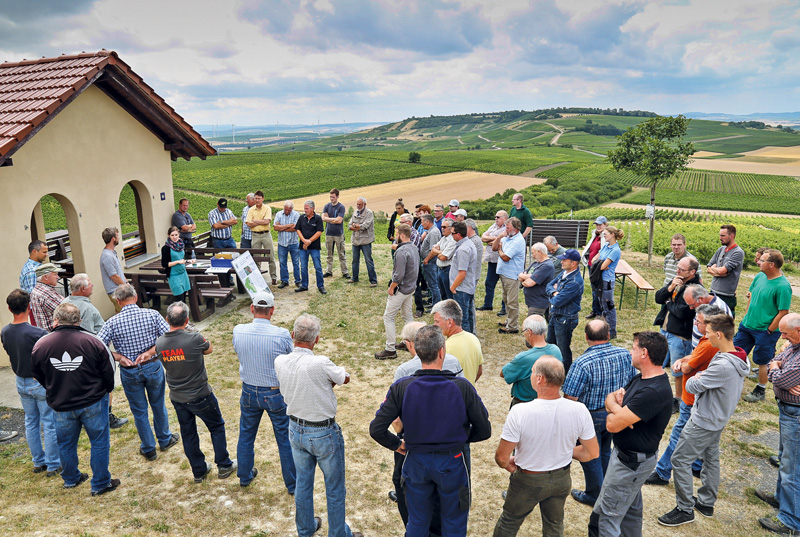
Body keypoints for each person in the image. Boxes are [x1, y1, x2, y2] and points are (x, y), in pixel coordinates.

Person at [369, 325, 492, 537]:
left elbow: (377, 428)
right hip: (452, 461)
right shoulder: (462, 387)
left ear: (415, 350)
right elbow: (484, 430)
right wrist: (461, 438)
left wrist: (397, 444)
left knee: (417, 521)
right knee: (453, 521)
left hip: (415, 460)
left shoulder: (402, 386)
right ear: (442, 351)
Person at [657, 314, 748, 527]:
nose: (704, 337)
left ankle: (684, 508)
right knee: (711, 459)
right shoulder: (738, 356)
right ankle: (706, 502)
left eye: (707, 334)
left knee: (679, 460)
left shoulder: (723, 365)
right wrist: (701, 377)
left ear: (718, 334)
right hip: (718, 418)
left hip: (704, 420)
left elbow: (691, 386)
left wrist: (697, 378)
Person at [275, 314, 362, 537]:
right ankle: (338, 534)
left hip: (295, 428)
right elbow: (346, 378)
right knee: (334, 487)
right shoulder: (321, 363)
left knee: (303, 483)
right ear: (317, 340)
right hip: (323, 431)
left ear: (293, 335)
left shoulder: (279, 361)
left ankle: (305, 529)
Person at [494, 356, 599, 537]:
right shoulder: (580, 410)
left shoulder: (520, 412)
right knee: (554, 526)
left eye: (533, 372)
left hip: (528, 480)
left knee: (509, 522)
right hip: (561, 478)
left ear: (540, 378)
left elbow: (502, 457)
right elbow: (592, 452)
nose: (531, 375)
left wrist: (508, 465)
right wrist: (563, 450)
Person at [588, 331, 673, 537]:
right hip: (629, 460)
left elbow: (611, 426)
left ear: (644, 353)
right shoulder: (641, 378)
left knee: (605, 518)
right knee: (630, 513)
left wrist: (616, 413)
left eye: (633, 348)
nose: (630, 352)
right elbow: (610, 398)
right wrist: (619, 410)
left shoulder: (652, 391)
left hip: (630, 464)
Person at [31, 303, 119, 495]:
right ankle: (101, 483)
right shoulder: (93, 341)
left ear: (55, 320)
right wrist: (106, 390)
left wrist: (53, 389)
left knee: (66, 443)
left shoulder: (41, 345)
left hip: (62, 404)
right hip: (93, 401)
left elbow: (37, 374)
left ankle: (70, 479)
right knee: (99, 441)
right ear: (79, 321)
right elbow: (109, 371)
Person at [388, 321, 464, 533]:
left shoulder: (404, 370)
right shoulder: (454, 363)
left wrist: (399, 438)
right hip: (450, 442)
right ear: (440, 348)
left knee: (406, 486)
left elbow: (393, 416)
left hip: (414, 443)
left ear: (411, 344)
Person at [156, 302, 236, 483]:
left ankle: (198, 471)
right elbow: (209, 348)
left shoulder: (159, 342)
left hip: (178, 397)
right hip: (201, 395)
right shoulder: (194, 338)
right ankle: (224, 465)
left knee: (188, 433)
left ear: (167, 319)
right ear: (187, 320)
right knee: (216, 427)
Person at [645, 304, 725, 487]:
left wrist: (683, 363)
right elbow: (691, 358)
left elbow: (688, 366)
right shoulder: (709, 340)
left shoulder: (708, 345)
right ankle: (696, 464)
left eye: (699, 321)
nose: (695, 323)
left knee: (678, 436)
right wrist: (683, 360)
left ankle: (662, 472)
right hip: (700, 400)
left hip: (691, 399)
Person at [98, 284, 179, 461]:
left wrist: (118, 356)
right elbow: (169, 338)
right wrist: (150, 352)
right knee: (158, 404)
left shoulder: (111, 322)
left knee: (139, 410)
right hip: (152, 365)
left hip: (129, 371)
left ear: (118, 302)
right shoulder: (152, 314)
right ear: (135, 297)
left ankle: (149, 448)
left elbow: (96, 347)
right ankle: (165, 439)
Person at [563, 319, 636, 507]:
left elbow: (570, 398)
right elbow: (633, 380)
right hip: (616, 413)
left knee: (590, 456)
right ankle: (604, 488)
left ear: (586, 337)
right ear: (608, 335)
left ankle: (595, 495)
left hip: (590, 416)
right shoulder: (624, 354)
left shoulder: (581, 364)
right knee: (604, 450)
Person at [232, 291, 296, 489]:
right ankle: (292, 484)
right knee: (284, 439)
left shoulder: (239, 330)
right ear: (272, 311)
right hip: (275, 392)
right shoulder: (281, 334)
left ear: (252, 309)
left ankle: (244, 475)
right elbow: (290, 359)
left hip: (249, 390)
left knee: (246, 435)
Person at [2, 289, 59, 475]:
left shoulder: (5, 331)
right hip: (39, 381)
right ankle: (52, 464)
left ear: (9, 308)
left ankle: (38, 462)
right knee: (49, 422)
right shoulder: (38, 333)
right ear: (30, 307)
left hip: (21, 381)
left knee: (31, 422)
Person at [63, 275, 129, 430]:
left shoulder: (65, 303)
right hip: (90, 354)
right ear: (83, 289)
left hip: (72, 355)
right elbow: (85, 334)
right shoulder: (85, 308)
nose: (93, 284)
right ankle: (107, 416)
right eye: (90, 283)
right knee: (106, 385)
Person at [755, 313, 800, 536]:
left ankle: (791, 520)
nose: (782, 337)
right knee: (785, 458)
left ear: (799, 330)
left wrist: (776, 370)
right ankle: (782, 499)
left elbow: (781, 378)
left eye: (786, 333)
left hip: (796, 416)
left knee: (793, 467)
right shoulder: (794, 346)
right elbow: (777, 359)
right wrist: (777, 364)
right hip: (788, 412)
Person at [737, 249, 793, 403]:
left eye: (762, 260)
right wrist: (747, 315)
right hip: (747, 325)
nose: (758, 262)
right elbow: (752, 294)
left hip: (765, 331)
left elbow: (783, 312)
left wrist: (769, 330)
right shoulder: (760, 276)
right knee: (735, 353)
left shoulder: (783, 286)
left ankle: (760, 390)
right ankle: (730, 382)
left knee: (763, 360)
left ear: (772, 264)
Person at [654, 256, 702, 411]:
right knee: (658, 362)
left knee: (678, 369)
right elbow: (658, 298)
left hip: (680, 336)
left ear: (692, 272)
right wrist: (669, 289)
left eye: (681, 269)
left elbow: (682, 312)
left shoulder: (695, 289)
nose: (677, 271)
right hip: (665, 330)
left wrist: (669, 303)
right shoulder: (677, 280)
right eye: (677, 268)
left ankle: (679, 399)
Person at [376, 224, 419, 360]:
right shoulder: (414, 248)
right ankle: (409, 342)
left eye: (396, 234)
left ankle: (390, 349)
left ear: (401, 235)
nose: (395, 237)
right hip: (410, 287)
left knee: (388, 317)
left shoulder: (401, 251)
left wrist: (392, 287)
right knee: (408, 316)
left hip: (401, 289)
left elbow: (398, 275)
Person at [501, 315, 562, 406]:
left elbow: (503, 373)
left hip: (524, 403)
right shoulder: (556, 350)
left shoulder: (524, 358)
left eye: (524, 331)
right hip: (549, 402)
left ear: (529, 332)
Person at [545, 249, 584, 372]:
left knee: (563, 350)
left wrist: (554, 294)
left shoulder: (574, 282)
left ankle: (565, 377)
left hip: (565, 320)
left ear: (573, 263)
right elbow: (548, 286)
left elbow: (557, 301)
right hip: (556, 316)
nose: (561, 262)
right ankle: (551, 371)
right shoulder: (564, 273)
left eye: (564, 260)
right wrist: (555, 292)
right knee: (550, 345)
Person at [432, 299, 483, 385]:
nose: (434, 325)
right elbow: (479, 371)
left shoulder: (445, 348)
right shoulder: (473, 339)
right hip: (469, 394)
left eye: (437, 321)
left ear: (449, 322)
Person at [495, 217, 526, 335]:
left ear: (516, 229)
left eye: (508, 228)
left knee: (512, 302)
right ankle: (509, 320)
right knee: (506, 299)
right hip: (504, 273)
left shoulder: (518, 241)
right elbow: (498, 249)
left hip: (512, 275)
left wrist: (500, 249)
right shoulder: (509, 237)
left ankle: (513, 326)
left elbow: (505, 257)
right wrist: (499, 243)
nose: (505, 230)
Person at [591, 226, 623, 339]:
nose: (604, 236)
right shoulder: (606, 246)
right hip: (601, 280)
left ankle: (612, 331)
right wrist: (600, 264)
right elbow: (594, 260)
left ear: (612, 234)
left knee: (609, 306)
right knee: (602, 305)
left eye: (606, 234)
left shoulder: (615, 250)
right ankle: (605, 329)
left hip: (607, 281)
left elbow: (601, 266)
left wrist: (600, 264)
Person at [706, 224, 744, 315]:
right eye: (720, 235)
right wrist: (716, 271)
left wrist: (715, 269)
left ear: (732, 236)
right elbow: (708, 268)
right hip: (713, 291)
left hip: (726, 296)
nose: (720, 238)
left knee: (724, 322)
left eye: (723, 235)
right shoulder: (721, 249)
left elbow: (722, 271)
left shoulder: (738, 252)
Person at [449, 221, 479, 334]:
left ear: (458, 234)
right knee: (469, 315)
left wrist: (453, 287)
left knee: (462, 318)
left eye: (452, 233)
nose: (451, 235)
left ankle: (466, 341)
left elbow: (462, 273)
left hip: (461, 288)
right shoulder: (469, 244)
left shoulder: (463, 249)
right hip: (467, 286)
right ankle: (472, 337)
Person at [478, 210, 508, 312]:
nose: (496, 219)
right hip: (492, 260)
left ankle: (504, 308)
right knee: (489, 283)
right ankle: (488, 305)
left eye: (498, 217)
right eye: (495, 217)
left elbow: (503, 241)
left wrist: (492, 241)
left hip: (502, 260)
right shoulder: (493, 226)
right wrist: (496, 239)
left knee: (505, 285)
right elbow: (483, 237)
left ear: (505, 218)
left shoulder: (507, 228)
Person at [246, 190, 278, 285]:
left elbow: (267, 221)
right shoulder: (251, 209)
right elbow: (248, 223)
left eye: (259, 198)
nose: (257, 200)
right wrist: (260, 221)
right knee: (256, 257)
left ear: (263, 199)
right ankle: (257, 277)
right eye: (255, 198)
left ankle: (273, 277)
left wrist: (255, 221)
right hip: (255, 235)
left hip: (266, 234)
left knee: (271, 256)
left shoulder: (267, 208)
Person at [295, 200, 326, 294]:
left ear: (312, 209)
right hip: (303, 247)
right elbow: (298, 229)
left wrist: (309, 241)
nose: (305, 210)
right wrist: (304, 241)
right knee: (303, 267)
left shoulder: (318, 218)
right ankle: (304, 285)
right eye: (304, 208)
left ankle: (320, 286)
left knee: (318, 267)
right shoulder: (301, 218)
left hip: (314, 248)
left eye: (307, 208)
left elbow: (319, 232)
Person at [347, 196, 378, 287]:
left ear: (365, 204)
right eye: (357, 204)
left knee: (368, 260)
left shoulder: (369, 213)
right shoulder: (355, 212)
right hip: (356, 240)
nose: (358, 206)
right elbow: (349, 225)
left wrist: (355, 226)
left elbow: (365, 226)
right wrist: (355, 226)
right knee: (354, 260)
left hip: (366, 241)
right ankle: (354, 278)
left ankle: (373, 280)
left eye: (360, 204)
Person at [519, 242, 555, 318]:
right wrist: (528, 276)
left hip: (538, 303)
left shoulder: (547, 266)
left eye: (533, 253)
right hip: (532, 301)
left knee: (533, 326)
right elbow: (520, 276)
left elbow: (529, 283)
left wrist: (525, 277)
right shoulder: (535, 263)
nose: (532, 255)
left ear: (539, 252)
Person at [425, 218, 457, 300]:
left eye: (444, 227)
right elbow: (433, 249)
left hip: (447, 270)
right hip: (440, 269)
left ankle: (451, 312)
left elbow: (443, 257)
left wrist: (438, 252)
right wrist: (441, 252)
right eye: (442, 227)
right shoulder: (443, 238)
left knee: (449, 296)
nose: (442, 229)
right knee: (443, 295)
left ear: (451, 228)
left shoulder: (452, 240)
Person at [582, 216, 608, 319]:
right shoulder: (595, 235)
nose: (598, 226)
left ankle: (599, 312)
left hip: (598, 266)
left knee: (598, 289)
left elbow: (605, 251)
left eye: (600, 224)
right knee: (594, 289)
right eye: (597, 224)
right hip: (591, 265)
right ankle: (595, 310)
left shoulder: (605, 237)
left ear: (605, 225)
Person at [273, 200, 301, 289]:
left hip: (293, 242)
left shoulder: (296, 214)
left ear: (292, 209)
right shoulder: (278, 214)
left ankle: (298, 280)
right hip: (282, 243)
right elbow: (275, 227)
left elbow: (296, 228)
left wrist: (282, 227)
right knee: (282, 263)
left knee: (296, 262)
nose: (287, 211)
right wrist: (289, 225)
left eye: (289, 210)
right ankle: (285, 280)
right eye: (286, 210)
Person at [322, 188, 349, 280]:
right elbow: (323, 218)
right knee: (329, 254)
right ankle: (329, 271)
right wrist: (334, 219)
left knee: (341, 254)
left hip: (338, 234)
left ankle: (345, 272)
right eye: (330, 197)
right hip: (329, 234)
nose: (331, 199)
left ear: (337, 196)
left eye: (333, 197)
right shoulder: (326, 206)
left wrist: (329, 219)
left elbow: (339, 220)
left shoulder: (341, 207)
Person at [30, 263, 63, 332]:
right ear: (45, 277)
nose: (58, 277)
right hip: (54, 335)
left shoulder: (37, 289)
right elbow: (69, 311)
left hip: (45, 334)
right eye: (55, 274)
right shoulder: (47, 293)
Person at [161, 226, 191, 303]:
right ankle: (179, 314)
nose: (174, 237)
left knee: (184, 299)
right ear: (168, 236)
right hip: (174, 275)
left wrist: (189, 261)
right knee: (180, 299)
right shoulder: (166, 248)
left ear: (179, 235)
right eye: (172, 235)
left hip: (183, 273)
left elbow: (182, 258)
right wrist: (177, 262)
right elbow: (164, 264)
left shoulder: (181, 245)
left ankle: (184, 314)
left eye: (176, 235)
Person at [100, 227, 126, 313]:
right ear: (113, 239)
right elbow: (113, 276)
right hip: (115, 291)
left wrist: (126, 282)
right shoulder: (107, 255)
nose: (119, 238)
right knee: (123, 315)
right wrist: (127, 287)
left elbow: (119, 272)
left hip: (120, 289)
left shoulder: (112, 253)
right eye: (117, 236)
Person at [419, 214, 442, 308]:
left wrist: (426, 259)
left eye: (422, 222)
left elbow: (433, 250)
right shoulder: (431, 231)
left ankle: (436, 305)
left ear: (427, 221)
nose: (421, 224)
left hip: (431, 262)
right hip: (428, 262)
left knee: (434, 284)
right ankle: (433, 302)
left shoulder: (434, 232)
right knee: (431, 284)